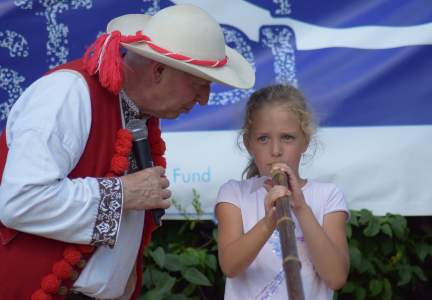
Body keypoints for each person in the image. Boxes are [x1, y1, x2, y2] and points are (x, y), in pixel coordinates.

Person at [0, 4, 254, 300]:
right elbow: (20, 201)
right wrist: (122, 194)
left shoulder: (137, 115)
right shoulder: (67, 93)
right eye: (198, 85)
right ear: (158, 70)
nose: (204, 100)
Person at [215, 84, 349, 299]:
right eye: (263, 139)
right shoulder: (234, 194)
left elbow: (336, 277)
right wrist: (269, 222)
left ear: (305, 141)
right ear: (248, 143)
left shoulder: (328, 196)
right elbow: (230, 266)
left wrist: (302, 208)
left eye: (287, 137)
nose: (275, 151)